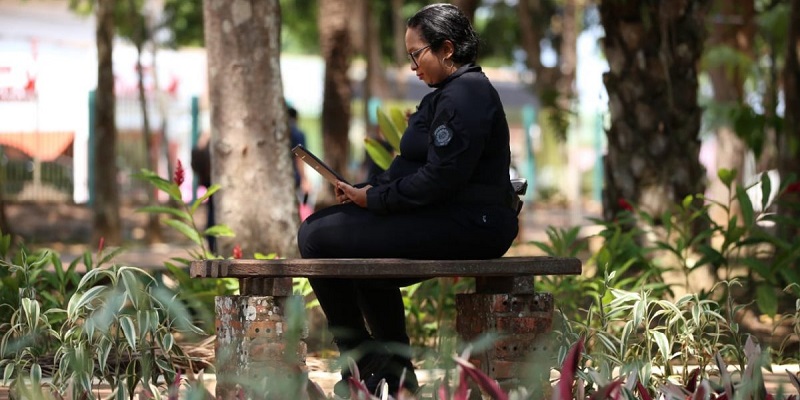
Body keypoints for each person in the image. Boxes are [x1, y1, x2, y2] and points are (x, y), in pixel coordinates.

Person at [297, 3, 519, 397]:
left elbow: (442, 178)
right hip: (444, 213)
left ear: (447, 49)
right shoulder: (444, 93)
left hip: (473, 222)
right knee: (337, 237)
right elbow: (409, 168)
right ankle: (396, 374)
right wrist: (364, 191)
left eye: (417, 54)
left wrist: (377, 200)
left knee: (316, 237)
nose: (413, 66)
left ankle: (365, 361)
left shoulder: (467, 94)